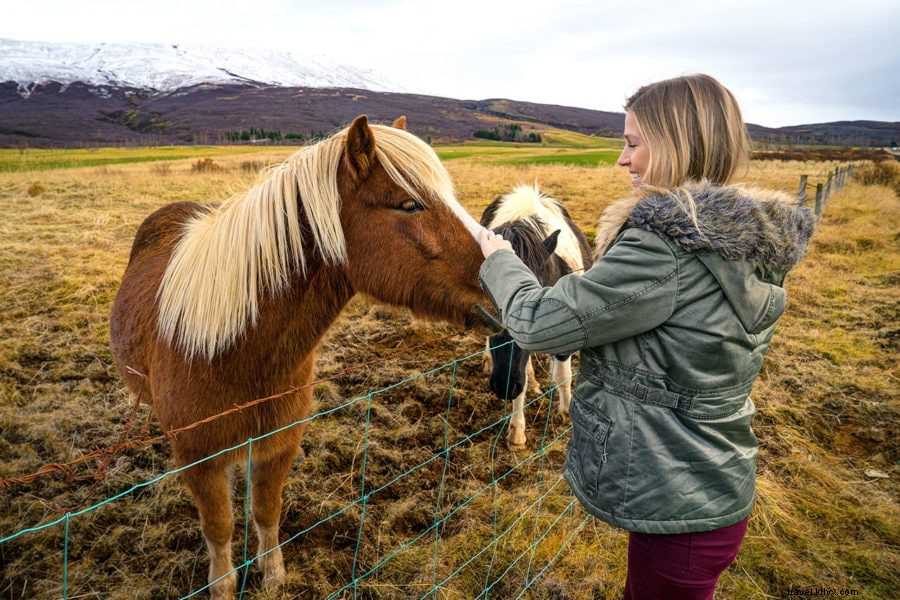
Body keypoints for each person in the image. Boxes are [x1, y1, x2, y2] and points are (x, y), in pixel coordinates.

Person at [477, 74, 815, 599]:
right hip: (704, 482)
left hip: (678, 500)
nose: (622, 159)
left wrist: (500, 259)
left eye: (633, 144)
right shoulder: (741, 241)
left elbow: (539, 323)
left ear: (676, 144)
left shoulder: (666, 249)